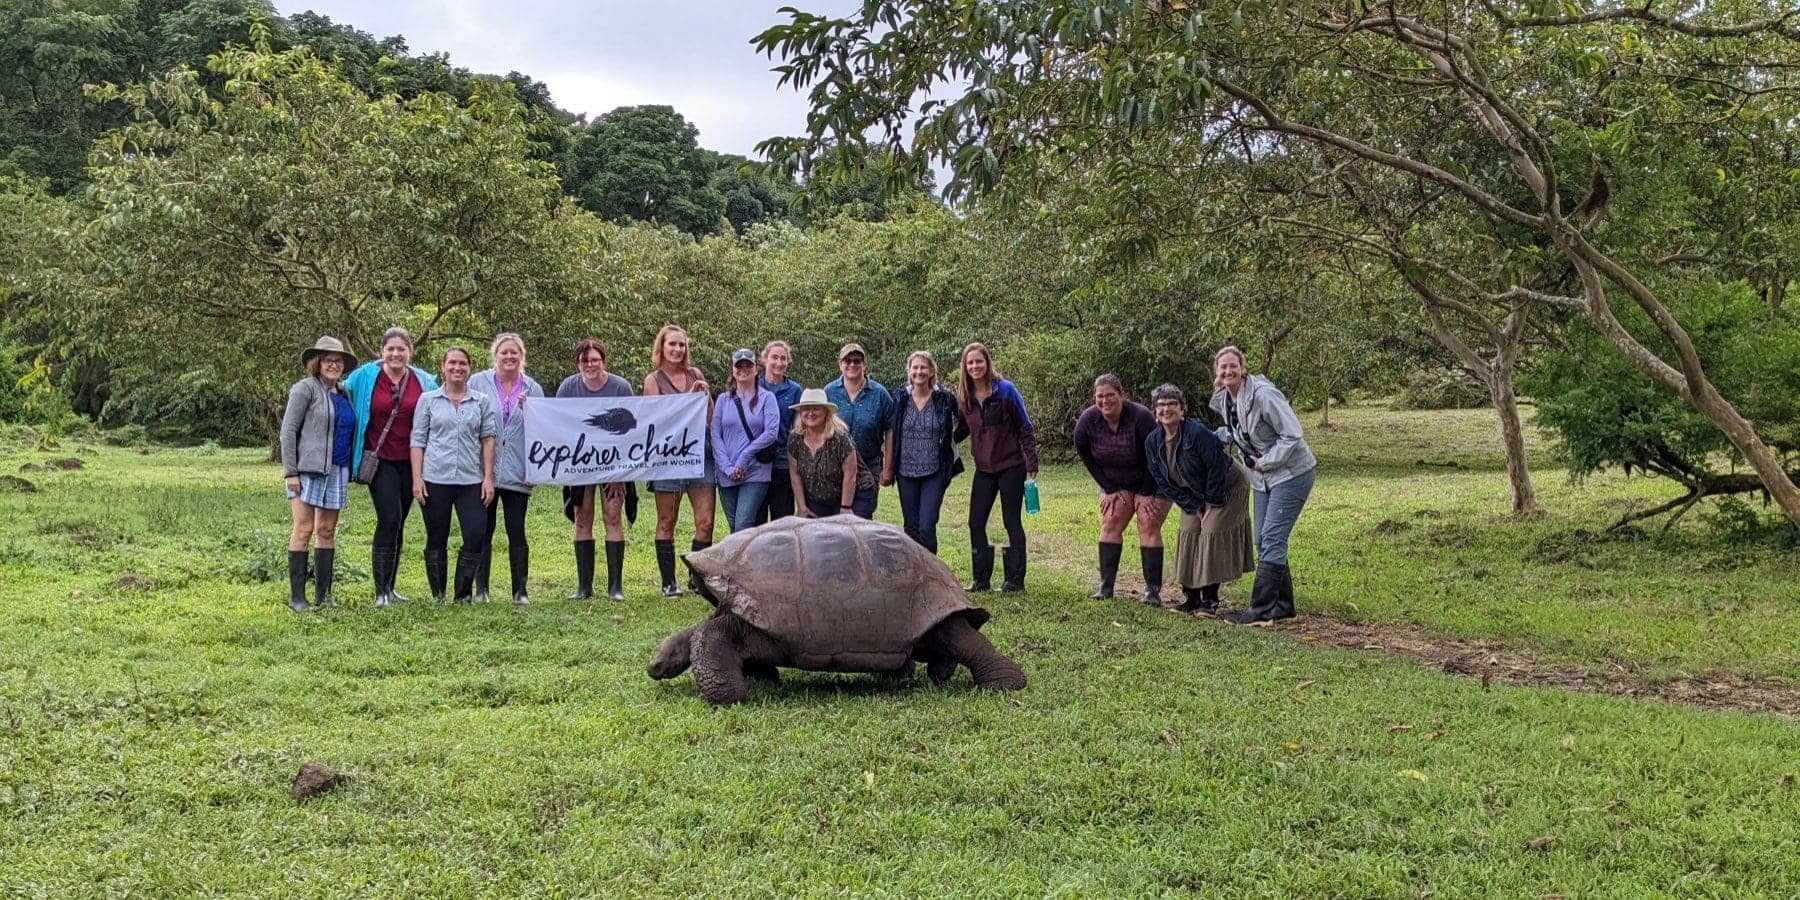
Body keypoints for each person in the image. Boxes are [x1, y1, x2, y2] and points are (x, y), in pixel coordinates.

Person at [1210, 346, 1318, 624]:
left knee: (1272, 538)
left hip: (1292, 473)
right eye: (1223, 367)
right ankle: (1284, 606)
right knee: (1262, 539)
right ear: (1217, 372)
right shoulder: (1226, 399)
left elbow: (1293, 433)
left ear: (1242, 368)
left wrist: (1267, 461)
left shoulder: (1263, 395)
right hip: (1263, 478)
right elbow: (1236, 432)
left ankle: (1260, 610)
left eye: (1233, 366)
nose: (1228, 371)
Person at [345, 326, 437, 607]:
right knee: (389, 518)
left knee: (400, 522)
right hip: (380, 459)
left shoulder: (425, 381)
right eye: (391, 349)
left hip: (411, 461)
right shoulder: (363, 377)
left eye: (401, 349)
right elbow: (340, 390)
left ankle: (391, 587)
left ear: (410, 351)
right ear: (381, 351)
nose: (396, 353)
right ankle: (380, 592)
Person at [1144, 383, 1254, 615]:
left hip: (1227, 486)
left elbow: (1216, 467)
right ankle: (1191, 598)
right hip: (1193, 493)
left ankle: (1210, 601)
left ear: (1182, 410)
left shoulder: (1196, 433)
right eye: (1161, 405)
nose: (1166, 409)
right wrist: (1194, 506)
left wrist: (1210, 504)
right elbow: (1163, 482)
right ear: (1155, 412)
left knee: (1210, 532)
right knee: (1188, 532)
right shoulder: (1152, 442)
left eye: (1172, 404)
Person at [1073, 374, 1171, 605]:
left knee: (1147, 522)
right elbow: (1084, 452)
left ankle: (1152, 591)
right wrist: (1108, 487)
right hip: (1117, 481)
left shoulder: (1141, 417)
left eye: (1110, 395)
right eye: (1100, 396)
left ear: (1122, 395)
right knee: (1110, 522)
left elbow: (1157, 456)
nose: (1105, 400)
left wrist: (1146, 491)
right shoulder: (1088, 420)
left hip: (1155, 478)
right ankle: (1105, 587)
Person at [410, 346, 498, 603]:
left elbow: (488, 438)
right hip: (435, 479)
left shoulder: (481, 401)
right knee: (436, 536)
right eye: (452, 363)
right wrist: (417, 478)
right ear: (443, 367)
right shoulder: (428, 400)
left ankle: (462, 594)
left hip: (471, 480)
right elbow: (418, 440)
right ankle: (438, 593)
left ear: (469, 369)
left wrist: (488, 478)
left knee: (475, 534)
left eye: (462, 364)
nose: (457, 368)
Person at [279, 337, 358, 613]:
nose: (333, 365)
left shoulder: (344, 393)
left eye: (338, 361)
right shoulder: (305, 389)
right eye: (328, 360)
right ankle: (297, 598)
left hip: (337, 469)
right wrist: (290, 472)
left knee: (326, 531)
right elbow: (288, 431)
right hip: (308, 470)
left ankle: (324, 596)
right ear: (318, 362)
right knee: (303, 529)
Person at [556, 338, 635, 601]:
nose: (590, 365)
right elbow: (556, 422)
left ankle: (615, 587)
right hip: (580, 462)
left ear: (604, 361)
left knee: (613, 517)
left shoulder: (620, 387)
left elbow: (632, 430)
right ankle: (584, 586)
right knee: (582, 518)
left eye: (594, 360)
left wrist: (621, 473)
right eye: (584, 360)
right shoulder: (568, 387)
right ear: (578, 363)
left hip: (614, 462)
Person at [956, 342, 1038, 593]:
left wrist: (1031, 460)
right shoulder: (964, 397)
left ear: (987, 363)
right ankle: (981, 579)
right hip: (983, 468)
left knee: (1010, 520)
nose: (975, 366)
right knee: (975, 522)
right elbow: (962, 430)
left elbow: (1025, 426)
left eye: (979, 361)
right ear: (965, 367)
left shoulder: (1006, 390)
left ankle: (1014, 580)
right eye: (970, 362)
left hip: (1011, 465)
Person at [469, 333, 544, 605]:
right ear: (495, 355)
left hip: (518, 471)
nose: (509, 357)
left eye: (514, 352)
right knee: (483, 529)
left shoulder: (533, 388)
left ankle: (520, 591)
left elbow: (542, 431)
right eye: (504, 352)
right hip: (483, 471)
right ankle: (481, 590)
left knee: (516, 529)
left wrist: (535, 469)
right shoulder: (478, 382)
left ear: (521, 356)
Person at [643, 325, 715, 598]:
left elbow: (711, 417)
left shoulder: (695, 374)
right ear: (661, 348)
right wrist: (688, 400)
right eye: (672, 344)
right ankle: (668, 582)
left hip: (699, 456)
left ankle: (697, 578)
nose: (677, 349)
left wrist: (705, 396)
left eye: (681, 344)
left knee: (705, 521)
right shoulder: (653, 380)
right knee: (667, 520)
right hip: (668, 459)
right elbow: (657, 419)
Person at [883, 350, 964, 553]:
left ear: (931, 371)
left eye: (923, 367)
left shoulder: (944, 398)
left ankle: (931, 569)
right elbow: (891, 431)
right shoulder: (900, 398)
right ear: (909, 371)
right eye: (915, 367)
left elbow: (963, 424)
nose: (919, 371)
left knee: (927, 526)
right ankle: (913, 569)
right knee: (911, 528)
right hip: (905, 471)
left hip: (935, 471)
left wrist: (948, 442)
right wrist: (888, 467)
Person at [712, 348, 781, 533]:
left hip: (755, 471)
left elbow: (771, 432)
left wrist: (744, 457)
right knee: (734, 526)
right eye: (739, 366)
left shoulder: (767, 398)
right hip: (726, 472)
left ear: (756, 369)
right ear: (733, 370)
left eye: (748, 365)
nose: (743, 369)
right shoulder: (723, 400)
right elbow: (716, 434)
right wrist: (727, 467)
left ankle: (739, 554)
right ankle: (741, 554)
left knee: (743, 524)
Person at [822, 342, 893, 518]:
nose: (852, 364)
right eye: (847, 360)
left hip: (868, 466)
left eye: (857, 360)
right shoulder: (829, 392)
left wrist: (888, 467)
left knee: (862, 517)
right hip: (835, 467)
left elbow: (891, 429)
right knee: (835, 520)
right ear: (840, 364)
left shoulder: (880, 394)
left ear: (864, 364)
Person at [788, 389, 876, 518]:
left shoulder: (840, 437)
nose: (810, 413)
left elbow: (851, 474)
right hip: (820, 497)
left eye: (816, 408)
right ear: (800, 412)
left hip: (856, 494)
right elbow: (795, 473)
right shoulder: (795, 438)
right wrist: (802, 507)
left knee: (846, 529)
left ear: (826, 412)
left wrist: (845, 508)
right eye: (806, 409)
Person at [755, 340, 804, 523]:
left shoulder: (795, 390)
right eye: (774, 357)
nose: (779, 362)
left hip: (783, 462)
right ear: (765, 359)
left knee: (782, 521)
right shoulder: (753, 385)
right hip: (756, 462)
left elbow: (799, 428)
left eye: (783, 358)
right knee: (756, 520)